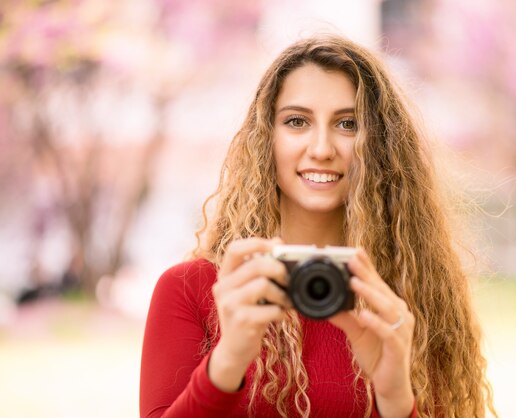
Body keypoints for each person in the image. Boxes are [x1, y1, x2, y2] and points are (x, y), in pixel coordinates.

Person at [140, 35, 496, 418]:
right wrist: (226, 364)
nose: (322, 148)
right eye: (297, 121)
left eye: (347, 124)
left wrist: (394, 397)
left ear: (379, 145)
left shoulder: (408, 299)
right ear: (266, 139)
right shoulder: (190, 291)